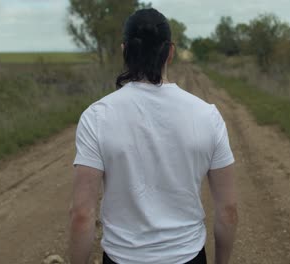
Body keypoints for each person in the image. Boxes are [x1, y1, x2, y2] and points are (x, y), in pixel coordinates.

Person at [69, 8, 238, 264]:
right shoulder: (208, 116)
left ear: (124, 50)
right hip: (188, 256)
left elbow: (82, 214)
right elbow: (228, 211)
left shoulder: (97, 116)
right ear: (170, 51)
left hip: (121, 258)